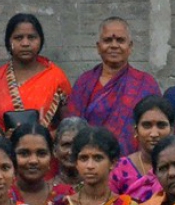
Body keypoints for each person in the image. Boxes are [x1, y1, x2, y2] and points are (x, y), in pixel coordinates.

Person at [64, 17, 161, 155]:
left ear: (130, 47)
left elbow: (156, 126)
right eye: (108, 40)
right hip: (91, 164)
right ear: (98, 47)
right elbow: (72, 128)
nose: (114, 45)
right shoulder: (84, 83)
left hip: (134, 166)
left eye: (120, 40)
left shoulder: (145, 84)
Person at [0, 13, 72, 130]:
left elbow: (67, 125)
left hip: (46, 146)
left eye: (31, 37)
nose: (25, 43)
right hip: (2, 146)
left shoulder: (56, 77)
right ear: (9, 41)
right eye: (18, 38)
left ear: (40, 40)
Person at [109, 95, 172, 202]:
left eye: (161, 125)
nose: (154, 133)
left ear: (172, 130)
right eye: (147, 125)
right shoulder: (119, 169)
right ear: (135, 131)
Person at [10, 121, 68, 205]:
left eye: (41, 153)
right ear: (11, 156)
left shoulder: (65, 196)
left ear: (51, 156)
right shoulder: (1, 196)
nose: (33, 161)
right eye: (24, 153)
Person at [54, 117, 89, 187]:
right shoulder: (45, 190)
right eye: (66, 145)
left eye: (78, 145)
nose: (71, 152)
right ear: (54, 150)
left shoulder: (100, 189)